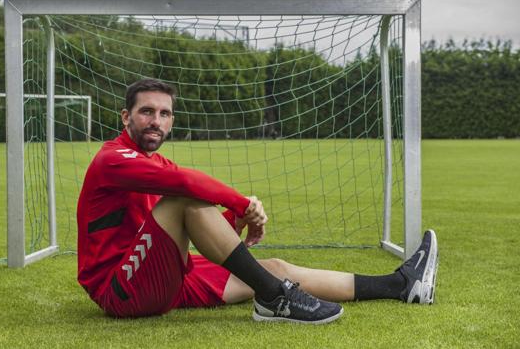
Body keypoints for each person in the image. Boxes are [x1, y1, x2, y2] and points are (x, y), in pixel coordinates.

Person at [77, 78, 439, 324]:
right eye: (146, 112)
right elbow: (187, 187)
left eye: (164, 113)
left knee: (276, 268)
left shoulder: (157, 163)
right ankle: (274, 299)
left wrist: (233, 219)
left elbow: (197, 226)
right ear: (126, 117)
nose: (156, 121)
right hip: (120, 289)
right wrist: (242, 204)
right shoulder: (111, 159)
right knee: (182, 199)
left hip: (168, 278)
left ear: (172, 120)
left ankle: (400, 285)